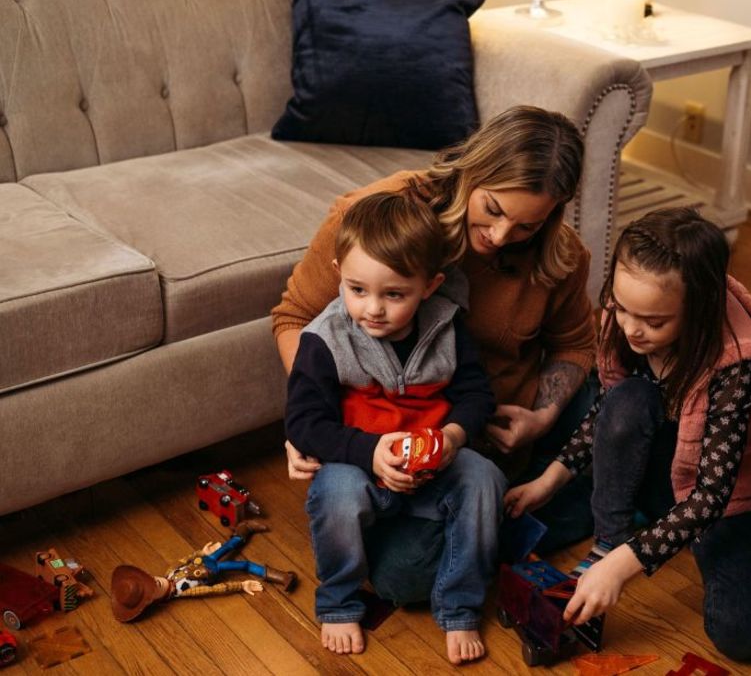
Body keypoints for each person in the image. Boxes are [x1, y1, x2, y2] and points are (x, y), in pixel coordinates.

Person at [271, 106, 598, 600]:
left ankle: (531, 503)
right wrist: (312, 415)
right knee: (403, 581)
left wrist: (544, 416)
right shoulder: (378, 216)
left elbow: (576, 343)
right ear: (473, 169)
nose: (501, 236)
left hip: (485, 430)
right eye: (493, 209)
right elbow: (295, 317)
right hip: (393, 441)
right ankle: (518, 519)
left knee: (608, 410)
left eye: (527, 226)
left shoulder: (561, 253)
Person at [504, 207, 751, 661]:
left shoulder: (735, 364)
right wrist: (552, 477)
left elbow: (711, 495)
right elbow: (609, 411)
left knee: (743, 638)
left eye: (654, 322)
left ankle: (628, 545)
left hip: (724, 500)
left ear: (699, 310)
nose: (630, 328)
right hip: (657, 474)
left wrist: (625, 566)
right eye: (621, 308)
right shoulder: (625, 320)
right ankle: (609, 536)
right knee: (625, 401)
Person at [284, 192, 504, 662]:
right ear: (339, 269)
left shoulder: (447, 326)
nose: (373, 309)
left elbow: (475, 395)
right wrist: (367, 452)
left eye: (394, 294)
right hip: (360, 467)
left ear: (430, 285)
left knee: (485, 477)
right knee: (336, 491)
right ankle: (339, 601)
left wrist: (453, 437)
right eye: (357, 289)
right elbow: (304, 422)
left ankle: (461, 606)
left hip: (433, 466)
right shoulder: (326, 339)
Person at [110, 521, 294, 623]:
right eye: (153, 587)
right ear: (154, 601)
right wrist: (241, 585)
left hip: (207, 559)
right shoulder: (183, 591)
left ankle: (244, 529)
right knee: (244, 565)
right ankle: (280, 576)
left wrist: (201, 552)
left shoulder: (169, 572)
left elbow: (183, 560)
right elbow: (213, 590)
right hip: (214, 570)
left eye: (150, 579)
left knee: (230, 545)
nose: (155, 581)